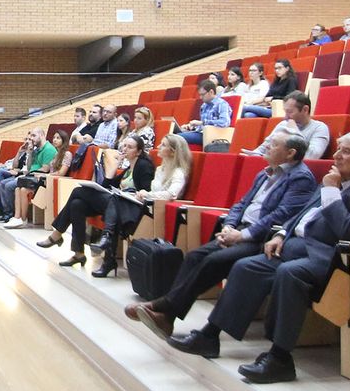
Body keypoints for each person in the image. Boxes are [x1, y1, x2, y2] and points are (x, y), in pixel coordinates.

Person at [165, 131, 350, 384]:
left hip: (331, 257)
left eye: (347, 151)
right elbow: (301, 216)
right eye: (339, 148)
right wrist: (281, 235)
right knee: (246, 267)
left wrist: (331, 191)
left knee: (290, 273)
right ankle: (209, 336)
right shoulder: (334, 180)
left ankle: (280, 358)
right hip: (295, 246)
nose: (338, 155)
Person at [124, 134, 317, 336]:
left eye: (274, 144)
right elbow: (241, 204)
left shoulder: (300, 177)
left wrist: (242, 235)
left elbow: (282, 215)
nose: (267, 146)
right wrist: (229, 226)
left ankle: (164, 308)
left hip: (262, 238)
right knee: (194, 256)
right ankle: (167, 316)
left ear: (291, 153)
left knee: (213, 261)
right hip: (238, 229)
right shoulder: (265, 173)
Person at [39, 134, 155, 266]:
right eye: (124, 146)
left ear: (139, 151)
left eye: (130, 147)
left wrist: (135, 194)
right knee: (77, 205)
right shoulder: (129, 168)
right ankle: (79, 254)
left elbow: (145, 192)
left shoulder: (143, 165)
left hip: (126, 206)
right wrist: (112, 168)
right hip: (115, 201)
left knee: (78, 191)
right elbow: (107, 186)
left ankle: (57, 233)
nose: (125, 149)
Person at [91, 133, 191, 277]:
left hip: (157, 211)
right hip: (147, 204)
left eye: (163, 145)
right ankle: (107, 245)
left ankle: (107, 249)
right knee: (116, 200)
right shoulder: (160, 170)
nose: (158, 147)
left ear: (173, 151)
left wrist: (147, 194)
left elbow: (171, 194)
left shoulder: (178, 172)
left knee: (115, 207)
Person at [0, 128, 57, 222]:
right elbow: (29, 166)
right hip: (29, 175)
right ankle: (7, 212)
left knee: (8, 185)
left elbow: (45, 169)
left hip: (38, 178)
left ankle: (11, 213)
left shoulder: (48, 149)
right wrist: (30, 154)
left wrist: (29, 173)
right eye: (30, 136)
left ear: (42, 135)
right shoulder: (36, 149)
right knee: (3, 183)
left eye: (34, 136)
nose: (31, 139)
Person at [248, 91, 329, 159]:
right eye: (285, 112)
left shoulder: (320, 128)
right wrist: (252, 155)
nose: (286, 117)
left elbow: (312, 156)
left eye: (290, 112)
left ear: (305, 110)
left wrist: (295, 132)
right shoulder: (283, 124)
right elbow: (264, 148)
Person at [178, 79, 233, 147]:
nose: (201, 97)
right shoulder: (204, 106)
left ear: (211, 92)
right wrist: (191, 127)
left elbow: (225, 122)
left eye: (202, 94)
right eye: (200, 95)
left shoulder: (221, 104)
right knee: (174, 134)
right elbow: (202, 126)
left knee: (177, 137)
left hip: (213, 135)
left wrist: (202, 123)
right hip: (202, 133)